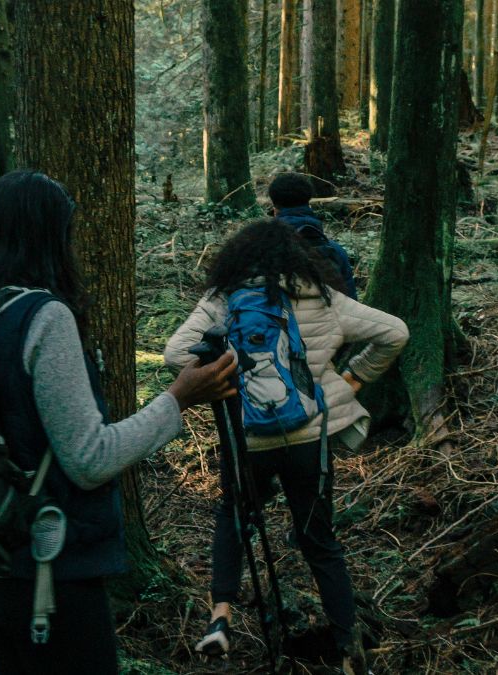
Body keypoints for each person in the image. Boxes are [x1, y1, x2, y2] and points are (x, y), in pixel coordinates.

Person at [0, 170, 237, 674]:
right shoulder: (43, 317)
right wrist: (178, 397)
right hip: (49, 571)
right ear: (50, 238)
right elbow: (90, 460)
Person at [164, 220, 409, 675]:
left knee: (233, 519)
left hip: (247, 439)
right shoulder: (320, 295)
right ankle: (349, 647)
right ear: (294, 256)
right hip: (306, 439)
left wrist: (230, 379)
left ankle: (220, 618)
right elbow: (394, 332)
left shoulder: (224, 297)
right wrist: (351, 378)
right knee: (320, 541)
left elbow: (176, 353)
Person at [268, 172, 358, 300]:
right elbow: (351, 303)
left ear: (275, 209)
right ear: (309, 204)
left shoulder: (259, 251)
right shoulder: (336, 252)